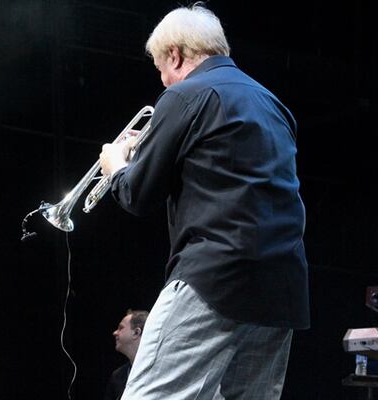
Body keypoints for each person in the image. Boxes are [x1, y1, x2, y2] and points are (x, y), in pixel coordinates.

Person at [99, 4, 309, 399]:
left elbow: (137, 196)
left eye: (162, 69)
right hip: (282, 288)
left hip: (214, 278)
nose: (163, 83)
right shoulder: (275, 105)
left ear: (175, 55)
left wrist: (115, 166)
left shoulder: (183, 95)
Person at [104, 310, 149, 400]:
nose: (115, 333)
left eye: (121, 328)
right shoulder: (118, 376)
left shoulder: (159, 369)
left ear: (136, 332)